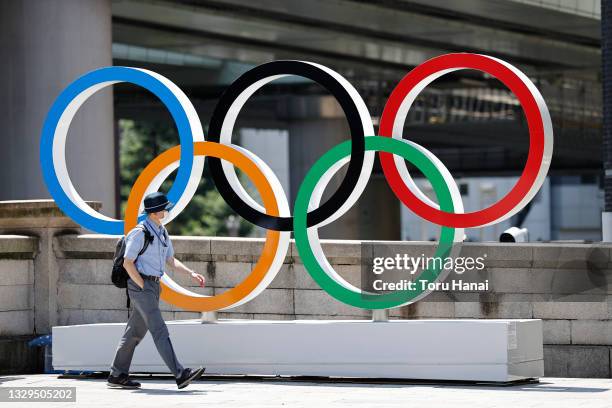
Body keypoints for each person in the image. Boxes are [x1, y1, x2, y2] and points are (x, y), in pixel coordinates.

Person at [107, 192, 207, 389]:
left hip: (153, 285)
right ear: (153, 213)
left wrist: (191, 273)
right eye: (164, 208)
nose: (167, 211)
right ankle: (180, 373)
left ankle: (116, 375)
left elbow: (170, 259)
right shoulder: (139, 232)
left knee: (134, 332)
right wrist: (142, 286)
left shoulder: (162, 231)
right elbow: (128, 263)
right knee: (159, 330)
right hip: (141, 285)